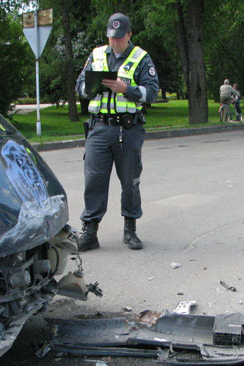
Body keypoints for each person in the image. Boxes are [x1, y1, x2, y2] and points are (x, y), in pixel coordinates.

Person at [75, 12, 159, 251]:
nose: (115, 42)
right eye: (112, 37)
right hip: (99, 127)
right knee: (94, 180)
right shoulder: (97, 55)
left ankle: (130, 230)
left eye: (120, 37)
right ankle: (90, 231)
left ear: (129, 34)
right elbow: (79, 86)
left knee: (130, 181)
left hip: (128, 129)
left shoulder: (141, 57)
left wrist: (126, 89)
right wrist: (89, 88)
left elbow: (151, 92)